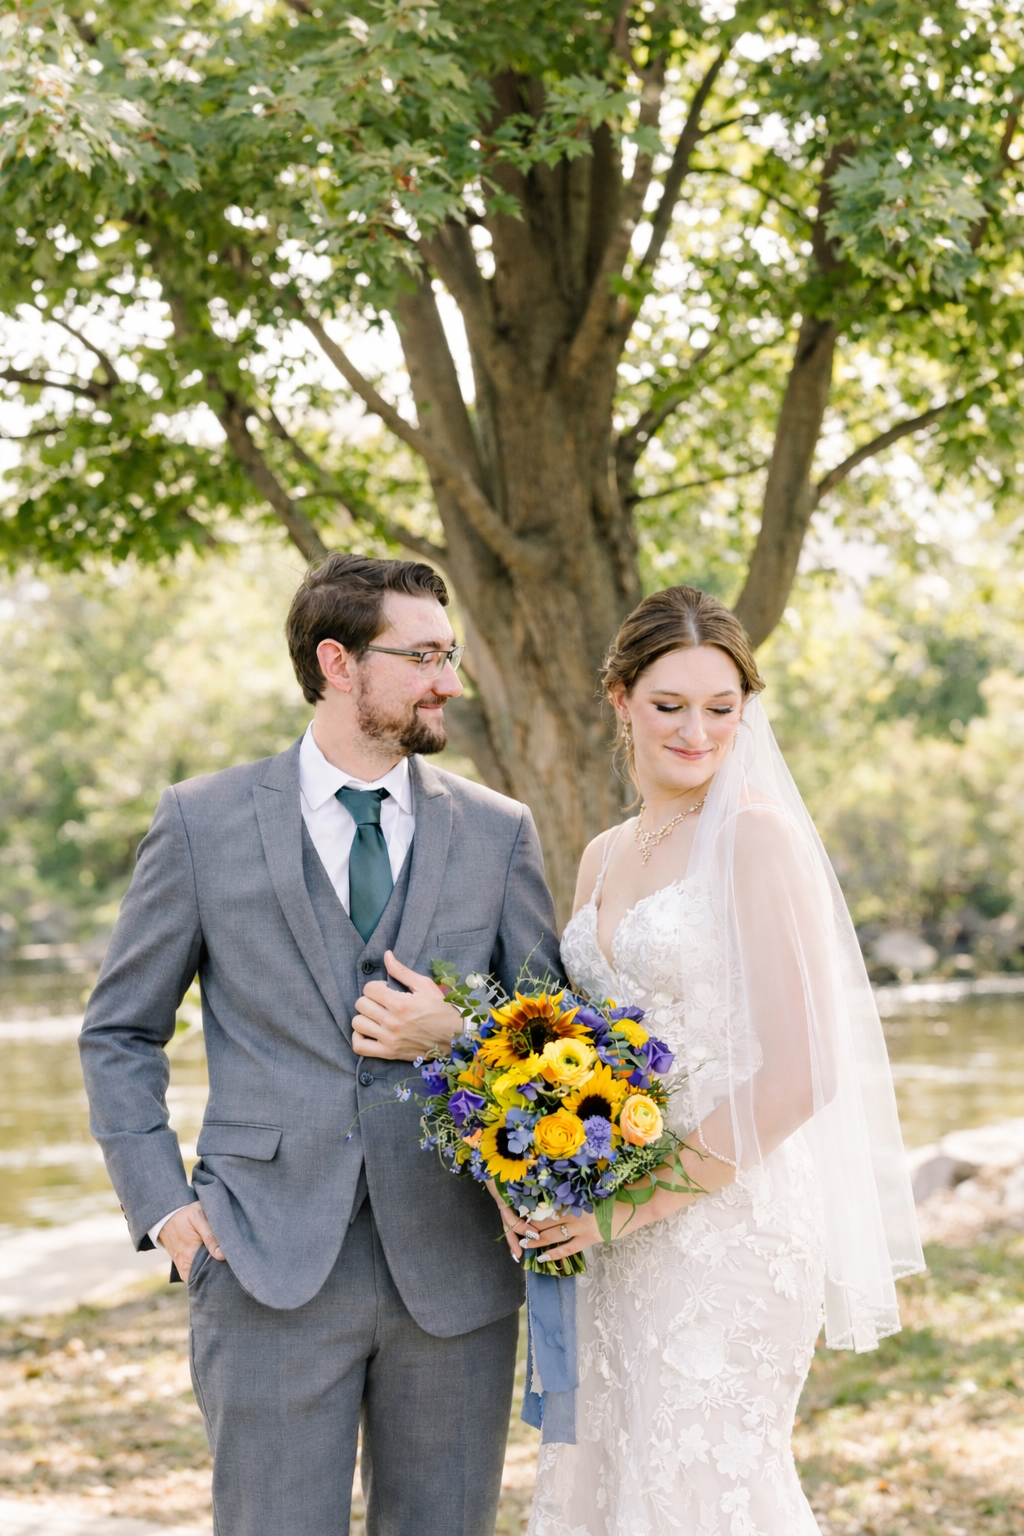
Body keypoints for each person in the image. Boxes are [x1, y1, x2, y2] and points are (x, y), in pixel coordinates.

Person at [79, 552, 562, 1536]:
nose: (448, 681)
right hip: (260, 1261)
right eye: (423, 655)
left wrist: (462, 1033)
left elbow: (556, 1041)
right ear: (338, 662)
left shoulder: (499, 832)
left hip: (456, 1266)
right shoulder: (200, 824)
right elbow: (121, 1031)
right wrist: (167, 1210)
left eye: (450, 653)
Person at [503, 585, 924, 1536]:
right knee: (604, 1474)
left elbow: (802, 1071)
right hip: (607, 1233)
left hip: (730, 1226)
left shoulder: (757, 838)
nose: (697, 732)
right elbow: (575, 1051)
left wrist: (625, 1207)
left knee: (698, 1485)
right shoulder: (602, 857)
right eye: (669, 706)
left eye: (721, 709)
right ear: (619, 698)